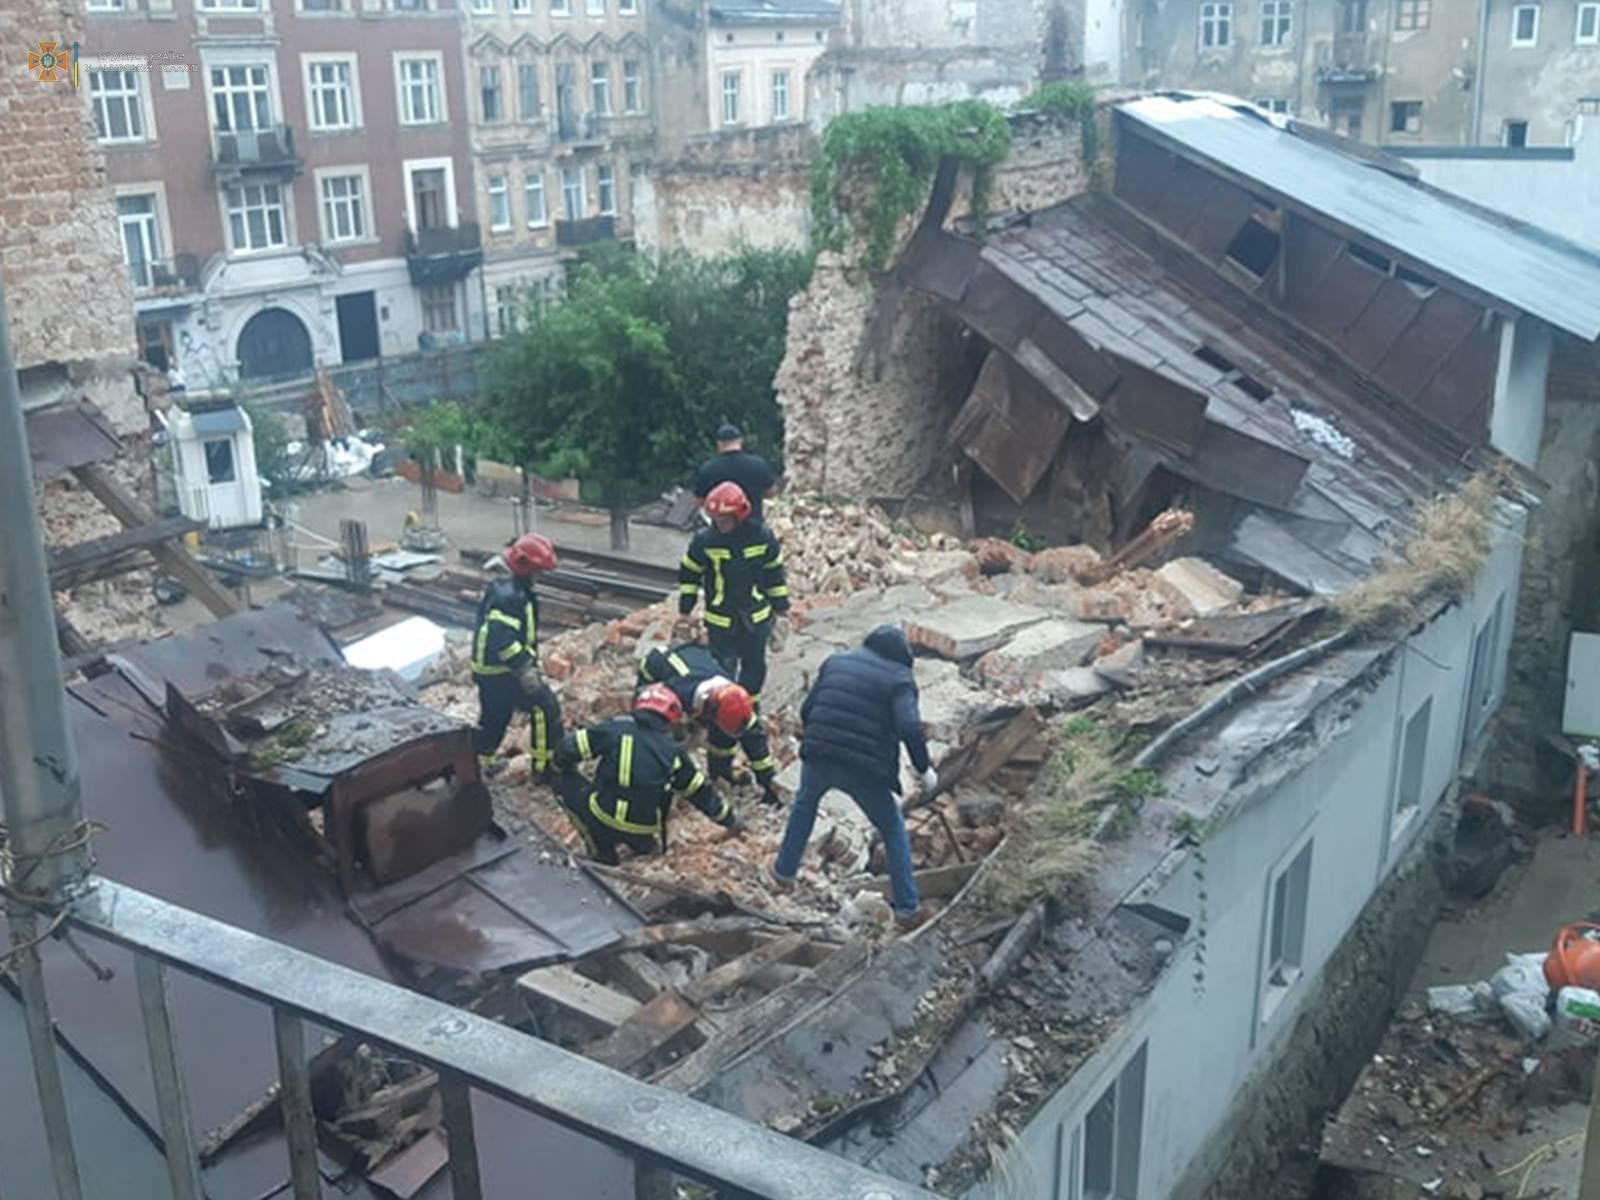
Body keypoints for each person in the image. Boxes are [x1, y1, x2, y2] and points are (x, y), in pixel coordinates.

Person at [771, 624, 937, 925]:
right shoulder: (900, 678)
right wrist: (924, 769)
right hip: (864, 768)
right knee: (892, 828)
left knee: (804, 807)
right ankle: (908, 908)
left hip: (819, 755)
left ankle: (783, 873)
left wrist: (821, 736)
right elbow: (909, 727)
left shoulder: (836, 662)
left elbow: (808, 709)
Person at [552, 684, 743, 864]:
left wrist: (559, 766)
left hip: (604, 817)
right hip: (643, 828)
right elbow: (700, 792)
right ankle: (644, 846)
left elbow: (567, 749)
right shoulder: (673, 752)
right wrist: (730, 820)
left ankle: (600, 851)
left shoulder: (615, 729)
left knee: (561, 781)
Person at [677, 481, 789, 706]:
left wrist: (781, 609)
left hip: (755, 618)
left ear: (740, 515)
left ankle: (750, 708)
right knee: (722, 671)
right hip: (721, 619)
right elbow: (689, 574)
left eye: (725, 520)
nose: (720, 525)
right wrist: (685, 609)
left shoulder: (762, 537)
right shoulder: (705, 540)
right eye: (716, 520)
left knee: (754, 668)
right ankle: (724, 709)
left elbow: (774, 575)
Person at [638, 642, 780, 807]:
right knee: (662, 739)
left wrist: (768, 782)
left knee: (723, 737)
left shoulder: (734, 699)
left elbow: (755, 743)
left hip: (696, 665)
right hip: (655, 670)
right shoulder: (677, 693)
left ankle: (720, 773)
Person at [471, 532, 563, 777]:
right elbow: (502, 640)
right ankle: (545, 768)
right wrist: (524, 668)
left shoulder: (509, 587)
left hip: (490, 669)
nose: (539, 576)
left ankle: (479, 765)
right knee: (544, 707)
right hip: (502, 670)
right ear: (524, 565)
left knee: (494, 717)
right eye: (537, 571)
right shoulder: (510, 596)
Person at [692, 423, 778, 524]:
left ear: (719, 444)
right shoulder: (759, 464)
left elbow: (699, 501)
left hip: (721, 529)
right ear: (740, 441)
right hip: (754, 526)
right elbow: (771, 492)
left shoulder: (708, 469)